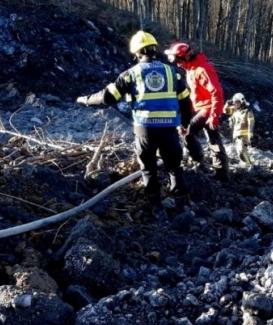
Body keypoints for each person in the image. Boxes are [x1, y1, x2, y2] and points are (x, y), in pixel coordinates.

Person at [76, 31, 193, 208]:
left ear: (136, 53)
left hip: (144, 130)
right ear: (155, 50)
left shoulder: (130, 74)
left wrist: (86, 99)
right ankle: (182, 206)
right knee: (174, 167)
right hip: (169, 129)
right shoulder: (173, 73)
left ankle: (154, 205)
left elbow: (108, 97)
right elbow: (186, 102)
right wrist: (184, 125)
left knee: (148, 168)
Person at [164, 42, 229, 181]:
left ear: (185, 57)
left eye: (178, 61)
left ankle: (199, 160)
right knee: (213, 139)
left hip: (208, 108)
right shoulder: (191, 68)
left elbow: (217, 92)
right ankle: (221, 173)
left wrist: (214, 116)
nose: (177, 64)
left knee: (186, 131)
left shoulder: (202, 69)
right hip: (201, 108)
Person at [224, 93, 255, 166]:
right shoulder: (234, 110)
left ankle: (248, 164)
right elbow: (225, 111)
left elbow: (251, 122)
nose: (235, 103)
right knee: (240, 151)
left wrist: (250, 134)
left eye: (237, 102)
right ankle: (248, 164)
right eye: (234, 102)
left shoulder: (248, 111)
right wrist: (227, 104)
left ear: (242, 102)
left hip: (244, 135)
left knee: (241, 150)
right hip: (236, 135)